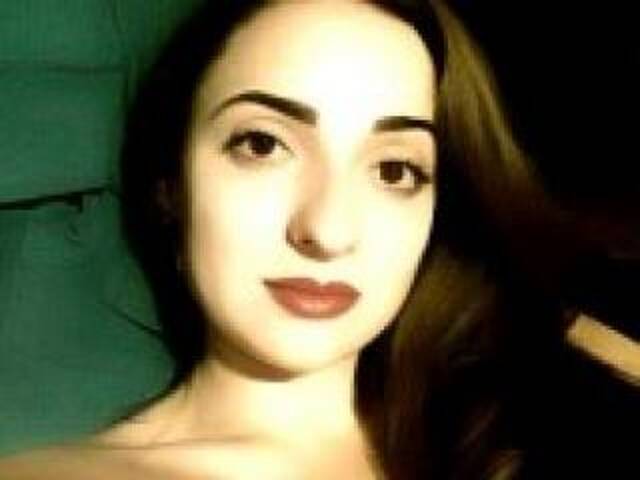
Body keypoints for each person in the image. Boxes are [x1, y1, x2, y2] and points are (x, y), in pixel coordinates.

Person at [0, 1, 563, 478]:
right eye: (263, 145)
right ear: (170, 185)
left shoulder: (531, 431)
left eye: (394, 171)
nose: (327, 232)